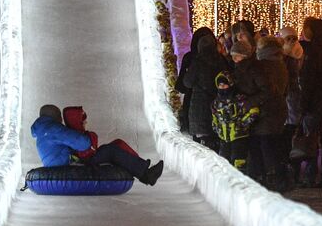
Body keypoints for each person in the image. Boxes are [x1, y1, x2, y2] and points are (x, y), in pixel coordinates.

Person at [29, 104, 163, 185]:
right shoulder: (54, 129)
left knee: (110, 149)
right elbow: (83, 144)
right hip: (67, 165)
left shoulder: (42, 129)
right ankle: (146, 175)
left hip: (57, 163)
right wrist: (87, 136)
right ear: (56, 117)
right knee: (110, 151)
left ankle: (143, 170)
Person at [239, 35, 291, 190]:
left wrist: (249, 102)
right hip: (278, 109)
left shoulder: (263, 66)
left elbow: (265, 90)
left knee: (264, 146)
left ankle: (271, 178)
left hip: (265, 111)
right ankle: (278, 177)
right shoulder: (281, 63)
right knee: (273, 144)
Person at [296, 17, 322, 188]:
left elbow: (308, 82)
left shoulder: (312, 53)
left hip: (314, 104)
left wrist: (303, 104)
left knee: (310, 140)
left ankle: (310, 175)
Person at [187, 32, 231, 148]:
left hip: (200, 105)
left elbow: (187, 82)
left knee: (202, 145)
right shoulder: (221, 60)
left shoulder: (197, 62)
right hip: (219, 103)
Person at [177, 27, 214, 133]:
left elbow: (182, 85)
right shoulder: (219, 59)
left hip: (194, 103)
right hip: (215, 103)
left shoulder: (191, 58)